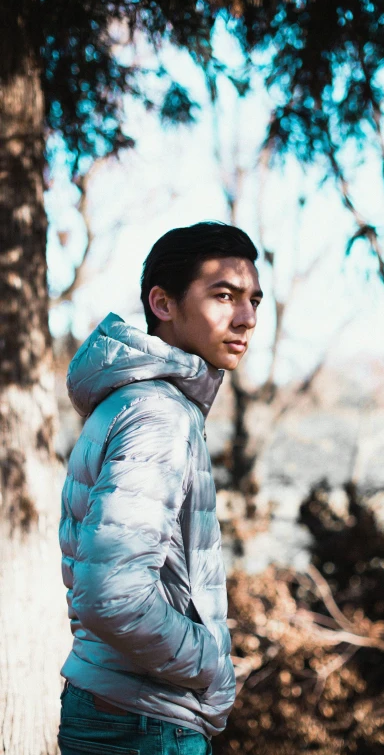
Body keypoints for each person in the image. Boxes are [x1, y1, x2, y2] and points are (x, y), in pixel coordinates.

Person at [58, 221, 262, 755]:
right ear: (163, 304)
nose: (246, 317)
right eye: (225, 296)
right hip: (145, 725)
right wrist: (212, 665)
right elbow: (112, 594)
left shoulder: (136, 400)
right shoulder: (159, 414)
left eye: (253, 301)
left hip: (123, 710)